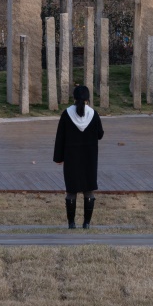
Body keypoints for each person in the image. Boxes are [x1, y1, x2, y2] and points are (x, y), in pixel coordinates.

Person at [53, 83, 104, 229]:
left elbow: (60, 138)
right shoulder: (93, 114)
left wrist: (58, 158)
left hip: (71, 158)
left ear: (74, 98)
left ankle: (71, 223)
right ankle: (87, 224)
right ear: (87, 99)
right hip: (89, 158)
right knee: (89, 190)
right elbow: (100, 135)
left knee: (71, 191)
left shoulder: (66, 114)